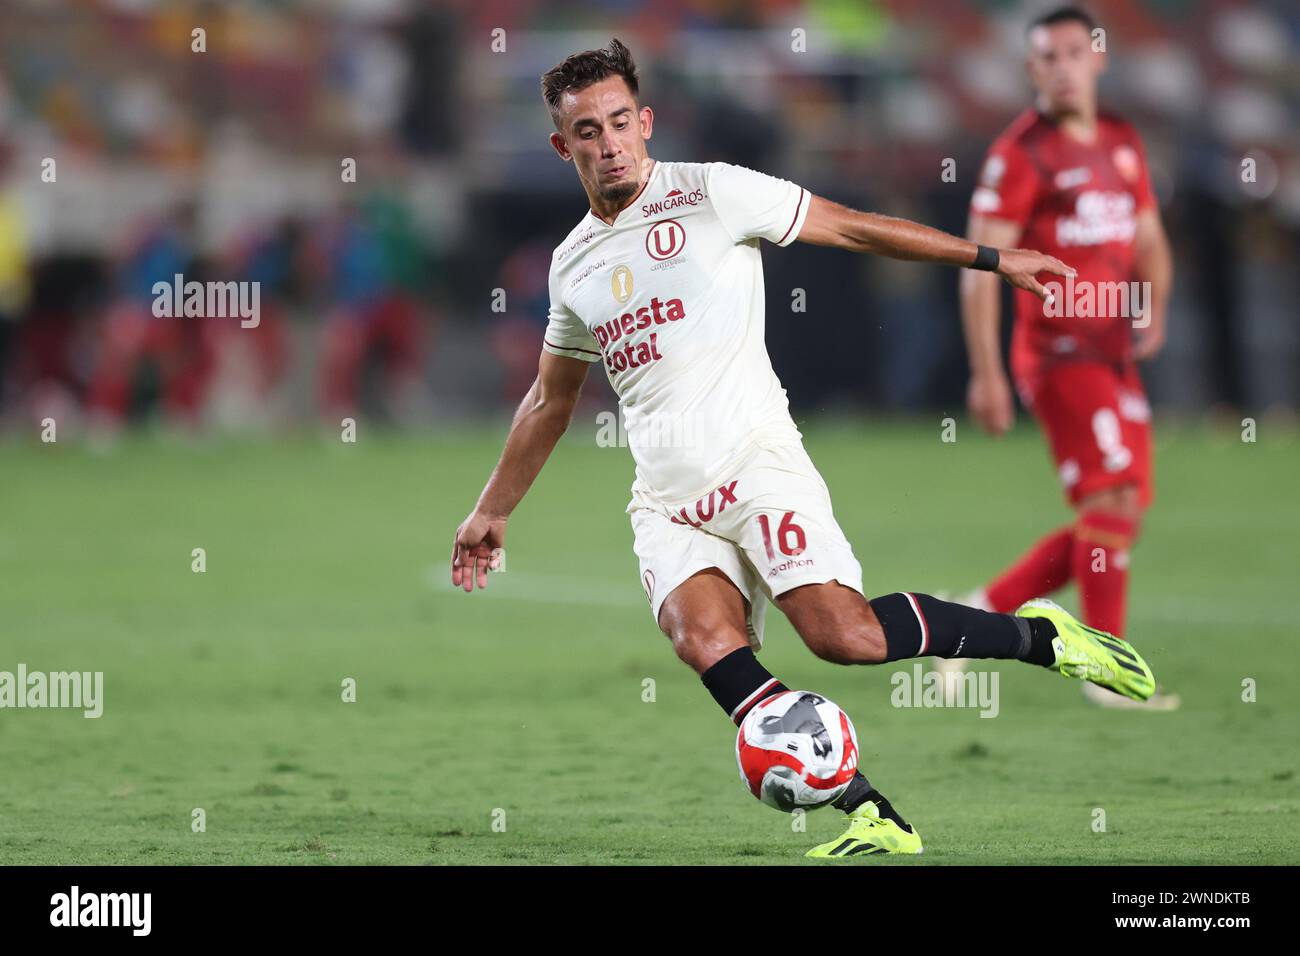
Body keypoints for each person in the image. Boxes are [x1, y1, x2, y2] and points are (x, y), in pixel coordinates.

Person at [452, 38, 1156, 859]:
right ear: (561, 145)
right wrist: (490, 510)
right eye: (586, 131)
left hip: (756, 464)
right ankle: (875, 815)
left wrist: (994, 259)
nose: (608, 144)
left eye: (618, 123)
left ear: (644, 122)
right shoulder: (572, 265)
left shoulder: (713, 193)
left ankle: (1044, 638)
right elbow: (550, 397)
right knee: (701, 640)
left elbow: (852, 230)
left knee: (843, 637)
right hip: (668, 496)